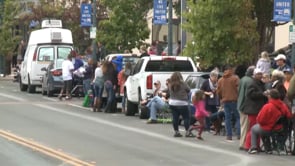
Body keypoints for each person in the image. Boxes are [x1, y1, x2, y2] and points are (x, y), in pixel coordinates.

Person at [248, 89, 292, 154]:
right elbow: (288, 116)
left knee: (254, 129)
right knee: (263, 129)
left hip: (269, 128)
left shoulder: (267, 106)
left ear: (270, 97)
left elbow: (260, 120)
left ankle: (254, 147)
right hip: (280, 129)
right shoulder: (283, 105)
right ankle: (268, 148)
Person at [243, 68, 268, 150]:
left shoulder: (261, 84)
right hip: (253, 109)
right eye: (258, 74)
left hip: (259, 109)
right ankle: (248, 145)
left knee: (258, 128)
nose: (260, 75)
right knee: (253, 128)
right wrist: (262, 94)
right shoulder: (252, 83)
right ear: (254, 75)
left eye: (261, 74)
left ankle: (256, 145)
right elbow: (250, 94)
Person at [217, 65, 240, 141]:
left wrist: (221, 98)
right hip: (234, 100)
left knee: (227, 118)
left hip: (225, 101)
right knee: (238, 117)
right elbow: (238, 89)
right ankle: (239, 134)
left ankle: (229, 135)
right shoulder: (235, 78)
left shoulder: (220, 80)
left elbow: (218, 91)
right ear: (231, 70)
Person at [237, 65, 255, 150]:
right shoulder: (250, 81)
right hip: (245, 106)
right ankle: (243, 143)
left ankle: (242, 142)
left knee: (242, 125)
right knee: (246, 126)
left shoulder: (242, 79)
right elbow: (248, 95)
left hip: (240, 104)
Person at [168, 72, 191, 137]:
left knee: (175, 118)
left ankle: (176, 132)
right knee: (186, 117)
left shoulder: (170, 84)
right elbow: (189, 90)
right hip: (182, 103)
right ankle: (187, 132)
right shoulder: (183, 83)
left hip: (172, 103)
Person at [200, 69, 220, 133]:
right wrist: (207, 93)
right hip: (207, 101)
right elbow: (201, 91)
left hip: (215, 101)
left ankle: (216, 128)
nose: (216, 78)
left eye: (217, 77)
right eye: (215, 77)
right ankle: (207, 128)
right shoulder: (206, 82)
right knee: (208, 115)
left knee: (215, 115)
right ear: (211, 76)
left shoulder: (218, 83)